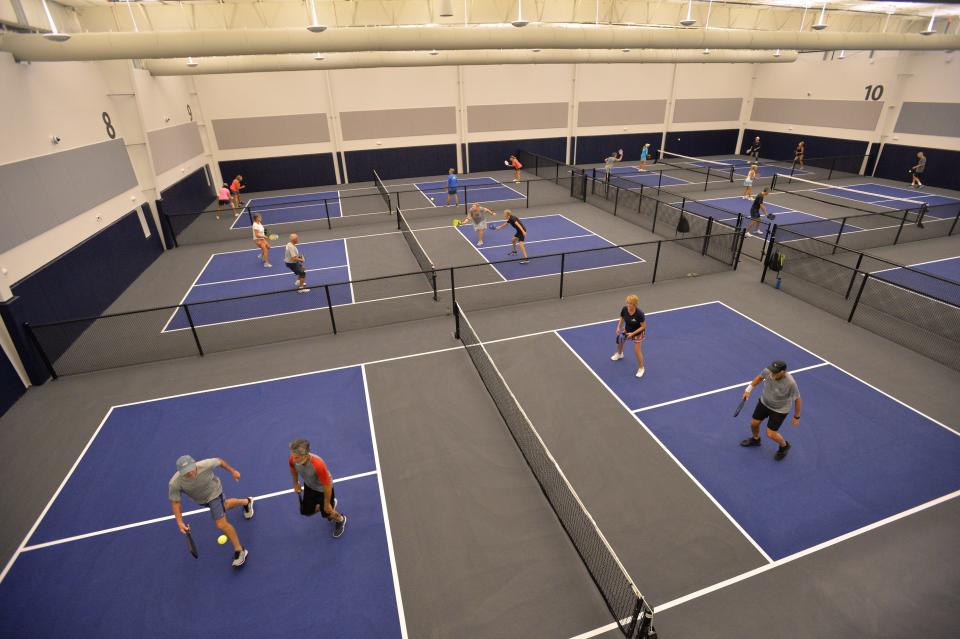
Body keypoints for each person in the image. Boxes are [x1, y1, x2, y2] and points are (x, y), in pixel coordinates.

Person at [169, 455, 254, 568]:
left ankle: (240, 550)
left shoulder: (205, 464)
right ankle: (247, 502)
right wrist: (179, 522)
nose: (189, 473)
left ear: (194, 464)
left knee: (221, 524)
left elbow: (220, 461)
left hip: (214, 492)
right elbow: (175, 502)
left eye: (191, 469)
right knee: (225, 505)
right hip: (202, 500)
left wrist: (233, 471)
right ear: (180, 471)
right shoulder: (175, 483)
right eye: (185, 472)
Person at [739, 360, 802, 461]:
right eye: (772, 370)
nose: (772, 373)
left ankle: (784, 446)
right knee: (754, 423)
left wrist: (796, 416)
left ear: (783, 372)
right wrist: (748, 390)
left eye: (776, 372)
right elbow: (760, 378)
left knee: (771, 434)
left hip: (779, 410)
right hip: (764, 403)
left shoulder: (790, 383)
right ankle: (756, 439)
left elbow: (798, 399)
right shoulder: (768, 371)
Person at [289, 439, 347, 538]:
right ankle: (332, 504)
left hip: (323, 490)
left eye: (296, 457)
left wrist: (327, 503)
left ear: (306, 456)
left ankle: (341, 519)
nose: (293, 459)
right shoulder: (293, 458)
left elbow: (327, 485)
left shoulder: (318, 465)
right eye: (293, 456)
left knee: (328, 513)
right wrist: (295, 483)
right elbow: (293, 468)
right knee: (305, 511)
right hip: (310, 486)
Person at [611, 294, 646, 378]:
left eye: (630, 303)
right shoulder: (624, 309)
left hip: (638, 333)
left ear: (635, 304)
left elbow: (643, 326)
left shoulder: (639, 314)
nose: (628, 305)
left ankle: (641, 368)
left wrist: (632, 334)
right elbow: (622, 317)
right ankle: (620, 354)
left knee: (636, 350)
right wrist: (618, 327)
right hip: (627, 330)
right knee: (620, 340)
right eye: (627, 303)